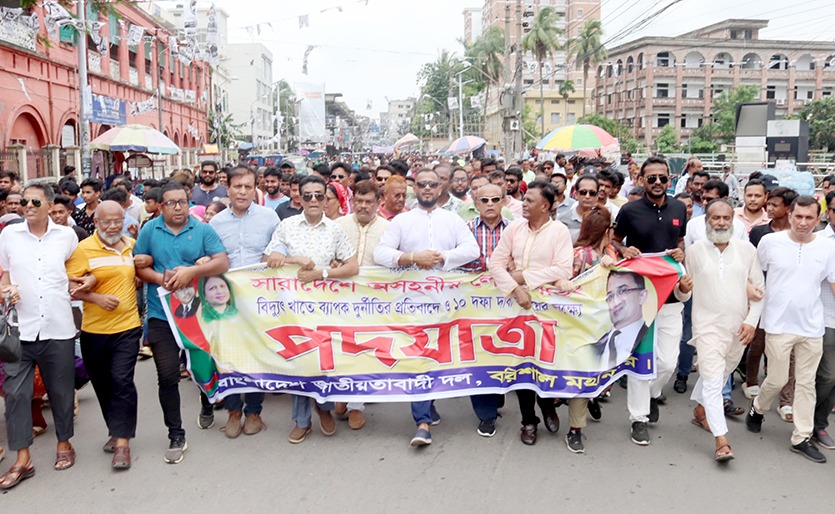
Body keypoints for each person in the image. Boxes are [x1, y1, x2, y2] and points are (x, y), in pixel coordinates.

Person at [374, 169, 479, 447]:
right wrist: (411, 257)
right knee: (418, 358)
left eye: (433, 184)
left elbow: (472, 250)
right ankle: (421, 422)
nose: (428, 189)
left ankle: (428, 404)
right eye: (422, 185)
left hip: (447, 303)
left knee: (437, 358)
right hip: (410, 303)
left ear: (440, 187)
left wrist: (442, 257)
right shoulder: (402, 221)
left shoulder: (452, 219)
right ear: (414, 189)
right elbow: (381, 253)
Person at [133, 182, 230, 464]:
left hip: (196, 311)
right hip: (161, 313)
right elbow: (140, 266)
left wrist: (193, 271)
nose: (178, 208)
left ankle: (206, 401)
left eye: (182, 202)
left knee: (200, 365)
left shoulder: (202, 230)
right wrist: (161, 279)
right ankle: (176, 434)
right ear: (161, 206)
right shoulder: (150, 230)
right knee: (167, 375)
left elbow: (222, 262)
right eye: (171, 203)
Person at [263, 175, 359, 444]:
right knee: (299, 361)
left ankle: (324, 407)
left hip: (326, 306)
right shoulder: (287, 226)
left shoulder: (336, 229)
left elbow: (353, 267)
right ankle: (302, 421)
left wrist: (322, 274)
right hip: (290, 306)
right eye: (308, 195)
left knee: (322, 360)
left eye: (320, 195)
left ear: (327, 198)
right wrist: (293, 259)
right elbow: (268, 258)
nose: (314, 200)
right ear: (299, 198)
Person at [0, 182, 79, 489]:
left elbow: (76, 271)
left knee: (60, 390)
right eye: (23, 202)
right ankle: (23, 458)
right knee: (17, 394)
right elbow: (4, 276)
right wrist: (7, 291)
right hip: (20, 329)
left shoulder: (67, 236)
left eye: (35, 201)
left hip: (57, 326)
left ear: (49, 204)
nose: (28, 206)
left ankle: (64, 443)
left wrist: (80, 285)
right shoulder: (8, 235)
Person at [747, 196, 835, 464]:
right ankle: (759, 408)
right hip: (777, 323)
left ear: (818, 219)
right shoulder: (770, 243)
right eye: (799, 216)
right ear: (790, 215)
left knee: (806, 383)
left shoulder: (827, 247)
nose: (803, 223)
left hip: (812, 326)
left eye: (810, 218)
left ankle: (801, 436)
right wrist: (750, 293)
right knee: (776, 379)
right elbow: (754, 275)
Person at [488, 181, 573, 446]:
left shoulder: (559, 231)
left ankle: (547, 403)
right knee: (520, 365)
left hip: (547, 308)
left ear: (545, 206)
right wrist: (515, 288)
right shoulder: (514, 228)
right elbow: (496, 263)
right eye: (524, 199)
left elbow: (562, 270)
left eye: (530, 201)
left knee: (545, 362)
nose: (523, 203)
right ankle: (528, 420)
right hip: (516, 305)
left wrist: (524, 276)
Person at [612, 156, 688, 446]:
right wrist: (624, 249)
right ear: (641, 180)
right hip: (640, 298)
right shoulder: (629, 210)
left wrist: (680, 252)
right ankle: (638, 418)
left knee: (667, 362)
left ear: (670, 179)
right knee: (641, 362)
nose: (657, 183)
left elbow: (678, 241)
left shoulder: (680, 207)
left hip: (670, 297)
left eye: (662, 178)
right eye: (651, 178)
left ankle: (655, 395)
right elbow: (614, 240)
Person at [65, 200, 143, 470]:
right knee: (103, 384)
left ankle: (122, 443)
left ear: (124, 220)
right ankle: (115, 428)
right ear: (95, 222)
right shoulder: (84, 249)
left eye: (117, 221)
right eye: (106, 221)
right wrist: (95, 297)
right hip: (94, 330)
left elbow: (140, 273)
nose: (112, 226)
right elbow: (69, 286)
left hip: (128, 326)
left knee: (122, 381)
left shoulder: (132, 245)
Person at [687, 199, 763, 462]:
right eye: (715, 218)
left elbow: (759, 292)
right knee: (712, 380)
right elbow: (684, 291)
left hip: (738, 328)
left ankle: (700, 411)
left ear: (733, 220)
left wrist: (752, 321)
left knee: (719, 374)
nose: (720, 223)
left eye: (725, 218)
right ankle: (721, 440)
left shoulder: (746, 250)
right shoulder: (695, 250)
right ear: (706, 220)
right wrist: (683, 288)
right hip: (707, 326)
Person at [209, 165, 279, 439]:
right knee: (227, 356)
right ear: (228, 188)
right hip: (224, 301)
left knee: (255, 356)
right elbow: (210, 256)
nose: (242, 191)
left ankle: (254, 412)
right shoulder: (216, 223)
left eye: (248, 186)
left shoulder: (269, 218)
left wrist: (276, 254)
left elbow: (280, 248)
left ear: (255, 188)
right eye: (237, 186)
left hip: (260, 300)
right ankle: (233, 411)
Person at [333, 180, 389, 429]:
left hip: (372, 303)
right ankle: (340, 395)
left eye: (369, 202)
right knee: (337, 349)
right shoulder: (337, 226)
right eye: (359, 201)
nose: (363, 206)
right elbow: (326, 254)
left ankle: (356, 405)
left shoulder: (389, 229)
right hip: (338, 300)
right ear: (352, 201)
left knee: (363, 352)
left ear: (379, 203)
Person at [564, 207, 619, 453]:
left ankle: (590, 398)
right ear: (605, 231)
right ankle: (576, 429)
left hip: (602, 326)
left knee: (594, 374)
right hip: (578, 326)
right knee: (582, 376)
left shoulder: (609, 253)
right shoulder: (581, 256)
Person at [460, 182, 511, 438]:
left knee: (504, 353)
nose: (490, 205)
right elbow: (454, 268)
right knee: (479, 356)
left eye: (495, 199)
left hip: (508, 306)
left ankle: (498, 391)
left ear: (504, 201)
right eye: (484, 200)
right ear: (475, 203)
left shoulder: (515, 231)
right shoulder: (465, 232)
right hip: (474, 307)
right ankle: (486, 414)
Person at [744, 187, 799, 420]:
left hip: (791, 301)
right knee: (757, 343)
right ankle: (751, 380)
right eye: (770, 203)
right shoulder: (758, 233)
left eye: (776, 204)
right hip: (762, 296)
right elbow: (750, 263)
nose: (769, 207)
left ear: (788, 208)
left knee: (790, 352)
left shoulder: (800, 235)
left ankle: (786, 400)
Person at [813, 192, 835, 450]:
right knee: (828, 376)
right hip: (825, 318)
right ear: (827, 212)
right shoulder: (818, 242)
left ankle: (818, 423)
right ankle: (812, 423)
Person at [558, 175, 599, 243]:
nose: (587, 196)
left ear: (597, 196)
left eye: (592, 193)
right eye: (583, 192)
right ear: (576, 194)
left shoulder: (603, 219)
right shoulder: (563, 219)